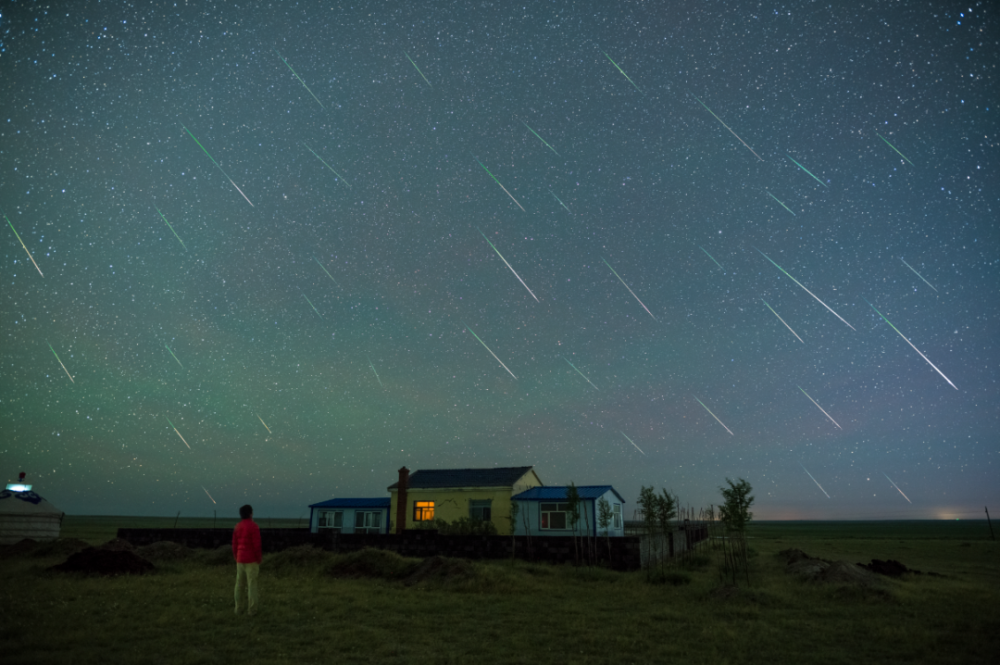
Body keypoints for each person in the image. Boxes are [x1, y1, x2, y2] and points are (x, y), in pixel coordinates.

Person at [232, 504, 262, 616]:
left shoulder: (237, 526)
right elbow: (257, 545)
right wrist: (259, 559)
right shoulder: (254, 527)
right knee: (252, 585)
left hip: (240, 559)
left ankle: (238, 609)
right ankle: (252, 610)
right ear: (250, 513)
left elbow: (234, 544)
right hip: (251, 560)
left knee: (239, 585)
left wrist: (236, 557)